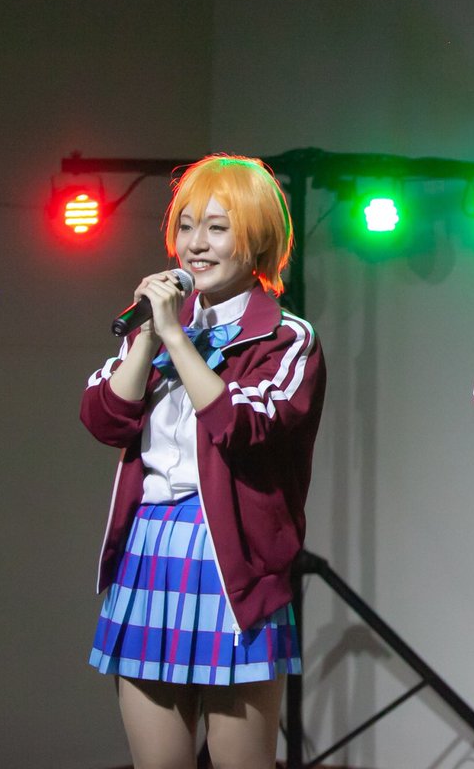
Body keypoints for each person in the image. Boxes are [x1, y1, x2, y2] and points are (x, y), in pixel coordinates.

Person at [81, 155, 327, 768]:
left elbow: (242, 426)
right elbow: (104, 418)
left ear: (258, 239)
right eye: (187, 226)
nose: (196, 244)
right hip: (149, 549)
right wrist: (150, 336)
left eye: (217, 228)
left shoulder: (286, 337)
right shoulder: (156, 329)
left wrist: (176, 339)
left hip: (233, 560)